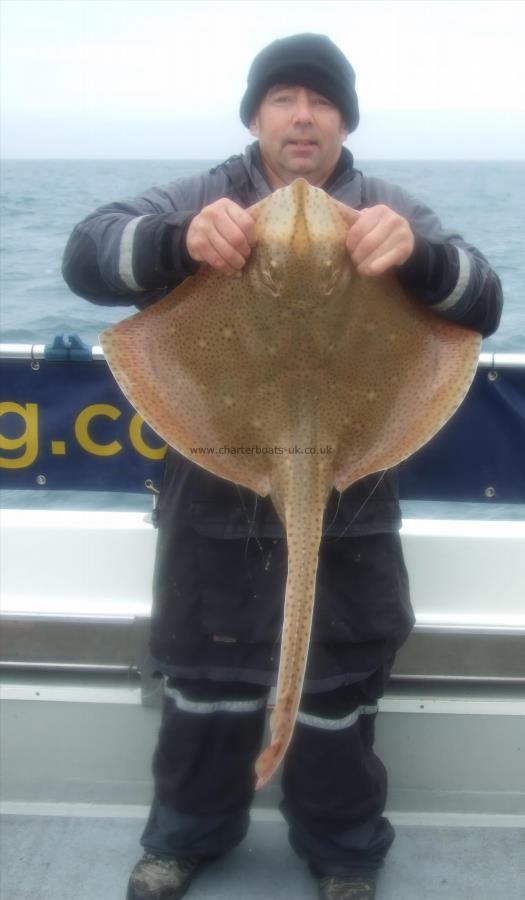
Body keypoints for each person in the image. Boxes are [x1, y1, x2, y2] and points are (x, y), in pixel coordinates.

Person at [62, 33, 502, 900]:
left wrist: (417, 256)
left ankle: (342, 851)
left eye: (322, 102)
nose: (302, 117)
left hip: (352, 484)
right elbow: (85, 255)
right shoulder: (201, 197)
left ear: (343, 120)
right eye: (283, 99)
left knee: (336, 684)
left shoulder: (387, 207)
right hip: (215, 474)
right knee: (203, 677)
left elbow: (483, 299)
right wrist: (176, 241)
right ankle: (186, 835)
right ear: (256, 115)